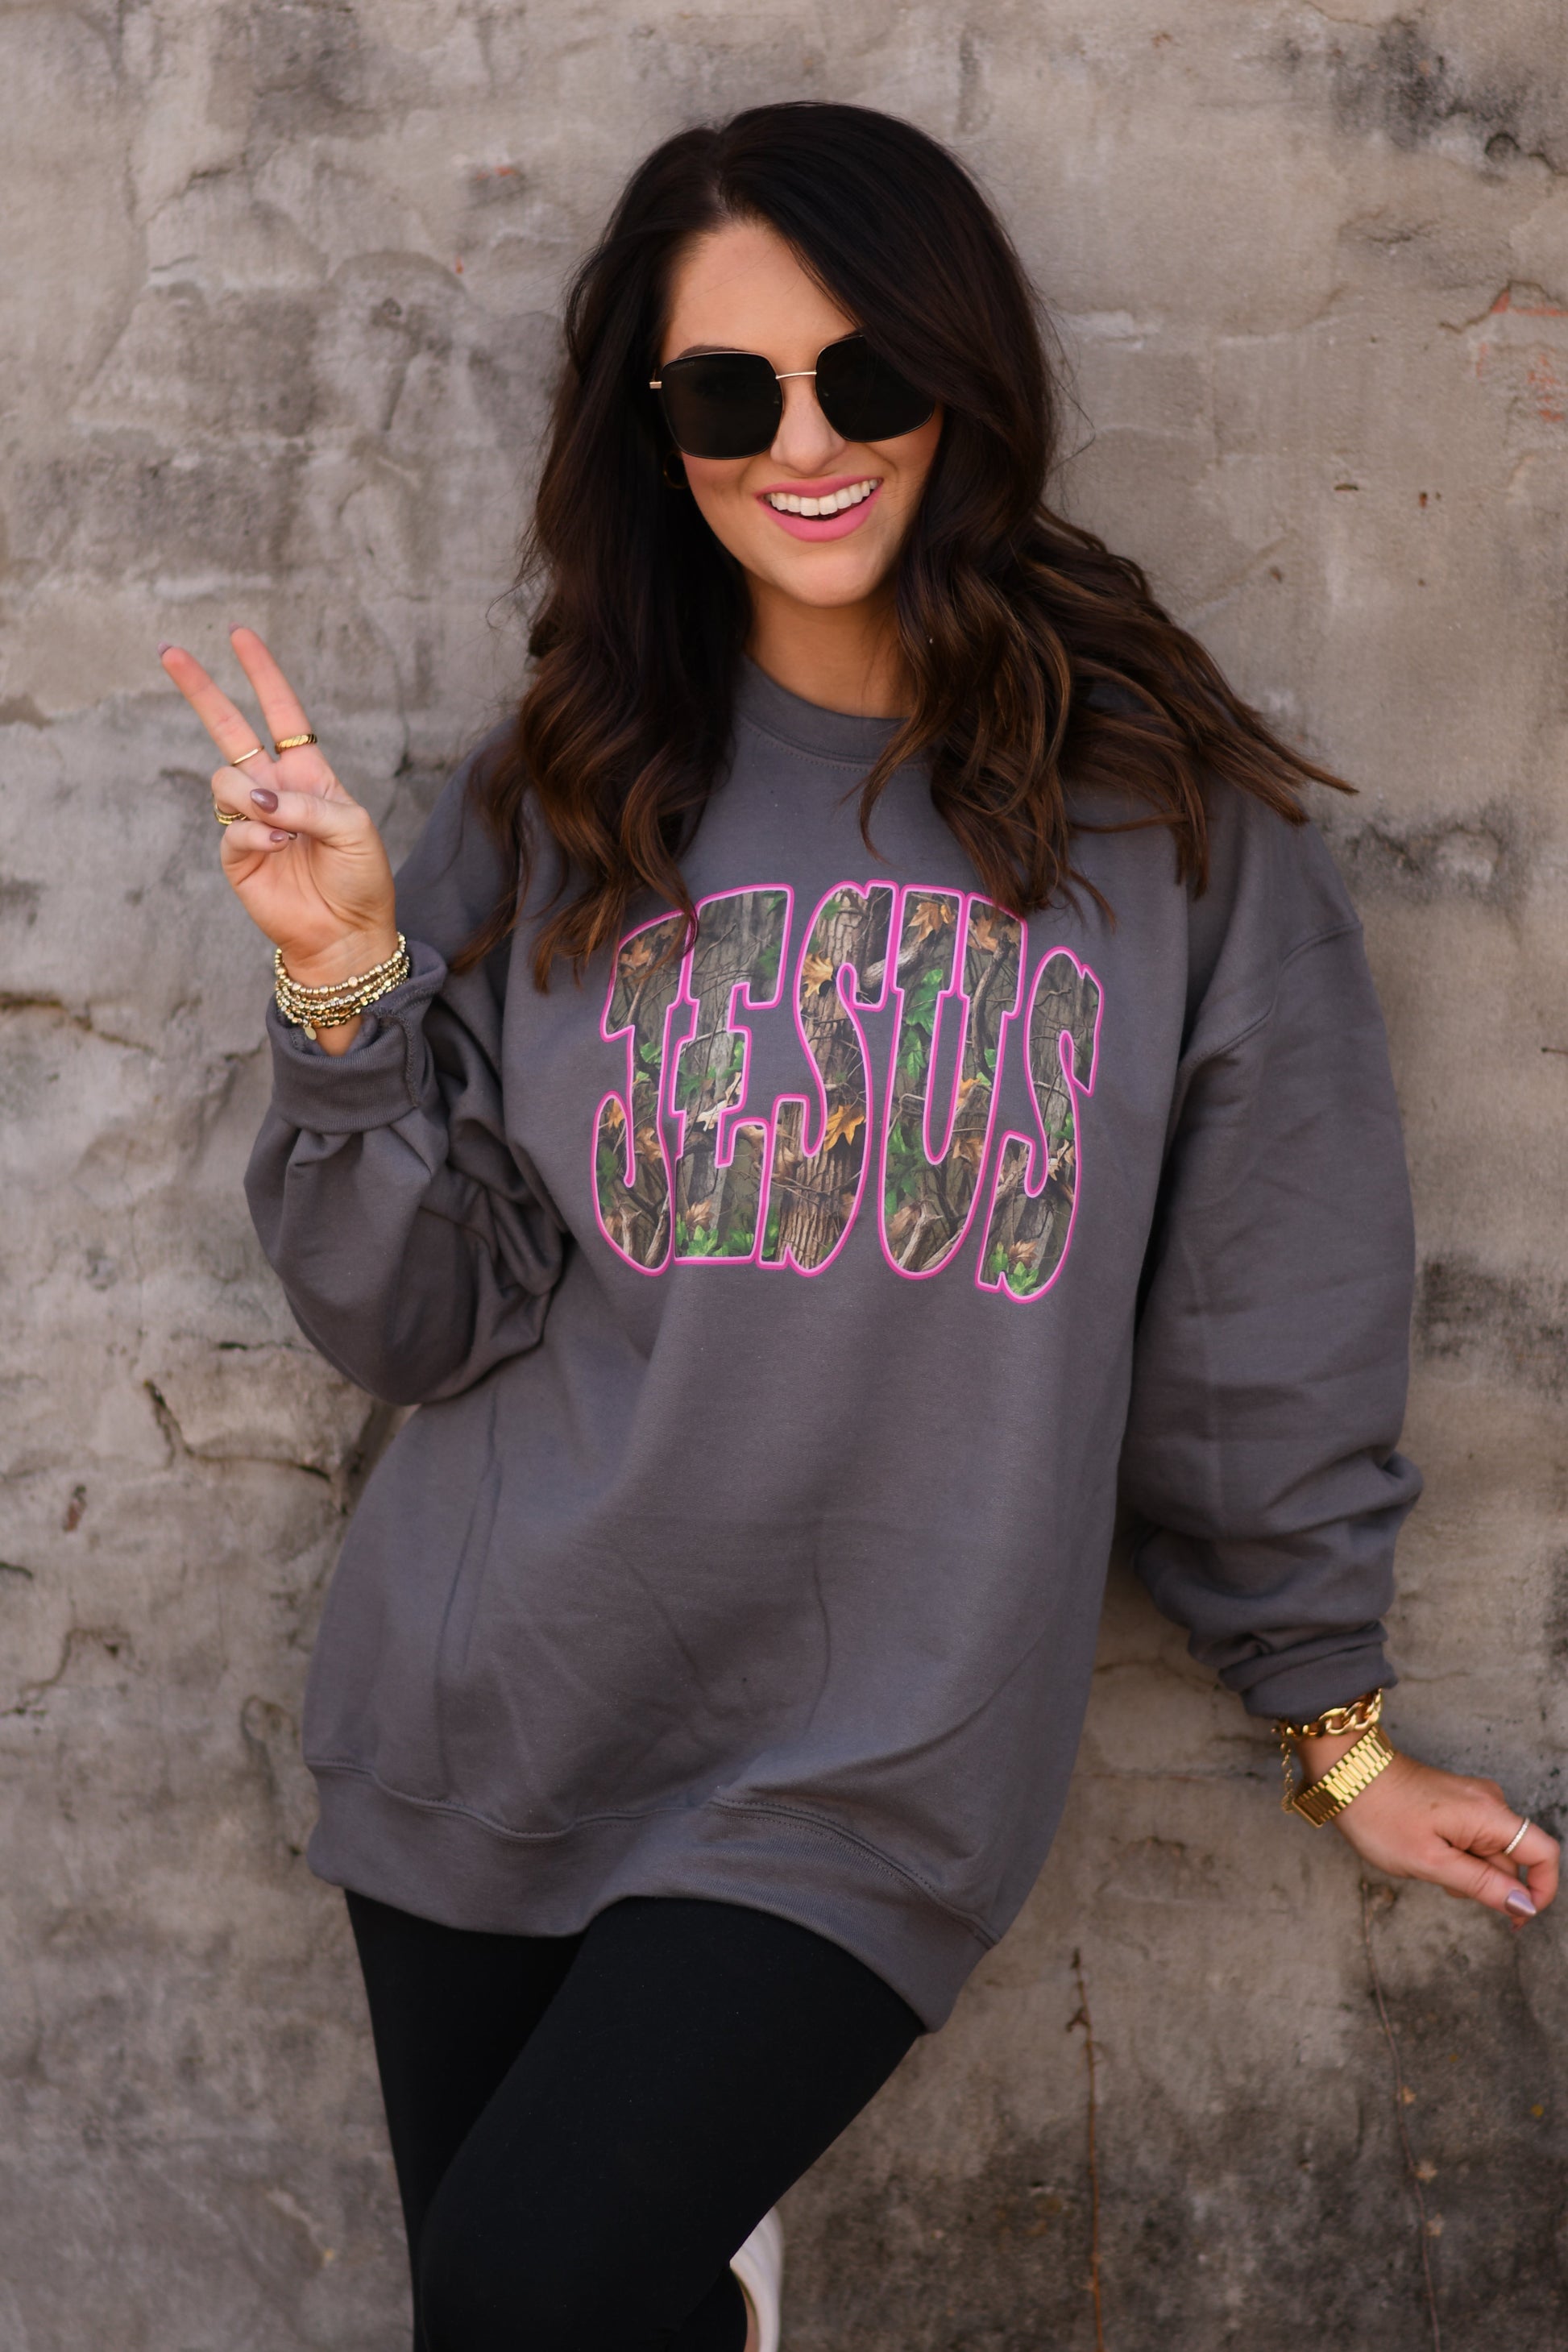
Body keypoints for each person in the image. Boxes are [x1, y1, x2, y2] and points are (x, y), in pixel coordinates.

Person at [159, 101, 1558, 2352]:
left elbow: (1262, 1320)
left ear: (960, 384)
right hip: (490, 1700)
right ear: (657, 431)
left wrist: (1339, 1727)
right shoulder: (561, 796)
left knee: (526, 2296)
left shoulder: (1168, 836)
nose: (801, 444)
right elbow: (416, 1321)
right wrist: (341, 984)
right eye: (729, 393)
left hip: (869, 1755)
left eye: (863, 376)